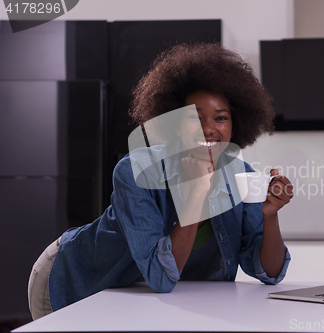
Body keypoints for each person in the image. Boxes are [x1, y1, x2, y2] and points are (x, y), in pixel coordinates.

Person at [27, 43, 294, 320]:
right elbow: (161, 277)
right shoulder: (135, 171)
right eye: (194, 117)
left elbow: (269, 273)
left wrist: (269, 215)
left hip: (144, 303)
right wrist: (197, 193)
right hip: (73, 283)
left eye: (221, 118)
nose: (208, 128)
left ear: (234, 125)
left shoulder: (240, 175)